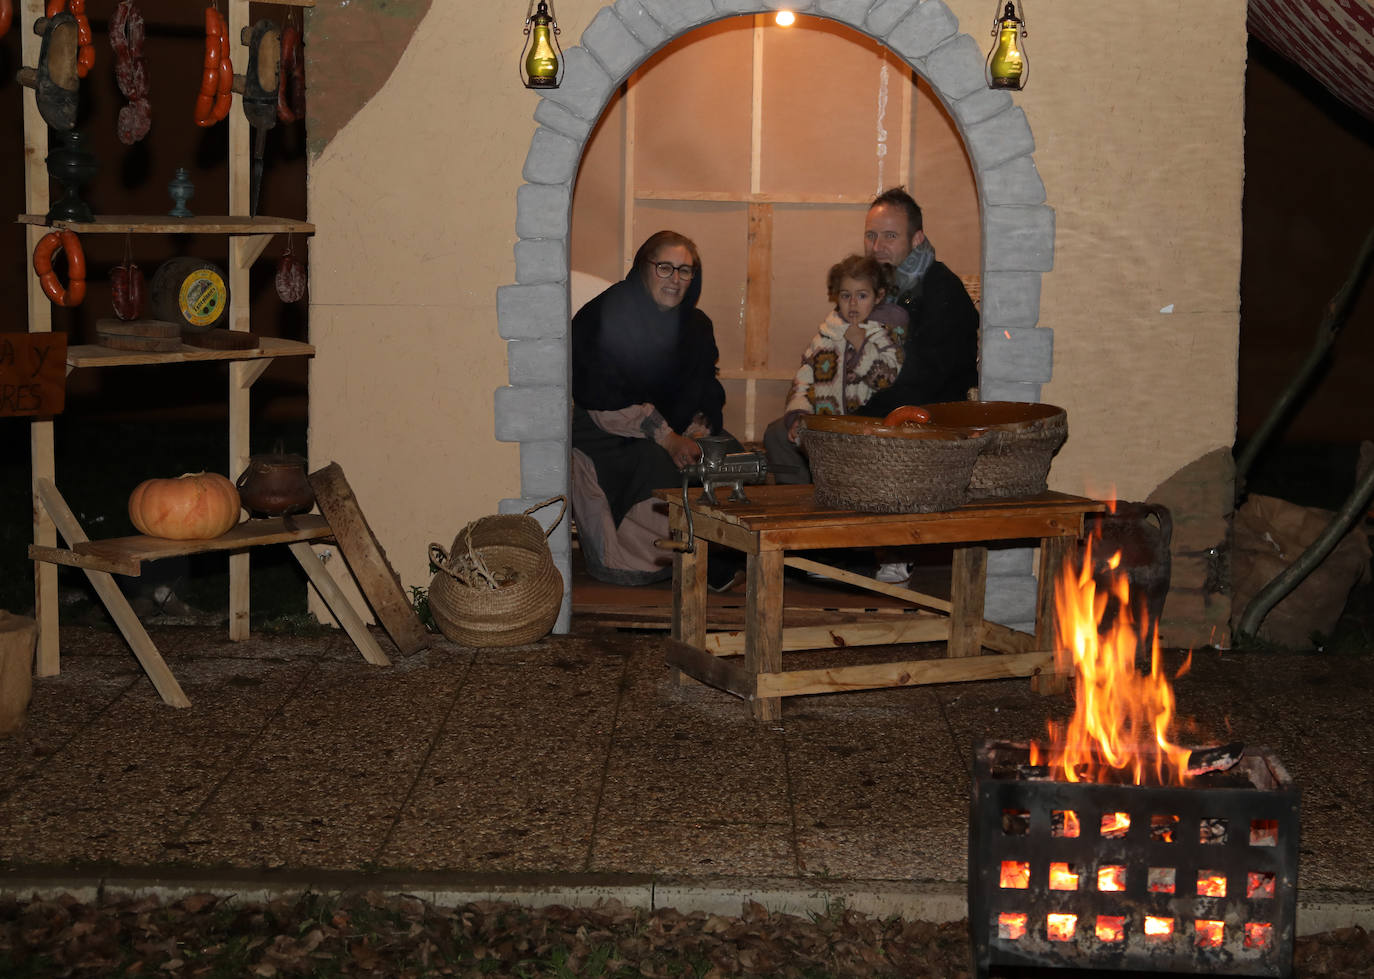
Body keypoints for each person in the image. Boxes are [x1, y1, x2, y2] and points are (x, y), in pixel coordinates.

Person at [570, 230, 741, 588]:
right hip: (611, 432)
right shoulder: (605, 316)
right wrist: (668, 439)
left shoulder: (695, 326)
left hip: (674, 430)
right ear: (643, 267)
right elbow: (600, 396)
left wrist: (698, 430)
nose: (675, 279)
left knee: (730, 457)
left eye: (685, 270)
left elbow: (706, 386)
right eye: (664, 267)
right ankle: (668, 559)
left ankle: (717, 556)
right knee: (657, 468)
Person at [762, 254, 908, 484]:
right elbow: (803, 380)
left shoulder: (884, 335)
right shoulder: (826, 335)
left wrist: (862, 347)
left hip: (867, 433)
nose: (852, 304)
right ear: (835, 296)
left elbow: (888, 379)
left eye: (862, 296)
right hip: (824, 429)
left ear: (878, 296)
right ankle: (798, 495)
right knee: (776, 433)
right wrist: (799, 416)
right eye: (845, 295)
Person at [855, 186, 979, 417]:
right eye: (871, 235)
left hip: (926, 422)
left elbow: (924, 380)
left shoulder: (942, 289)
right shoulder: (866, 287)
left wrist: (853, 414)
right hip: (873, 407)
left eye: (890, 236)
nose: (876, 247)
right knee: (781, 432)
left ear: (917, 238)